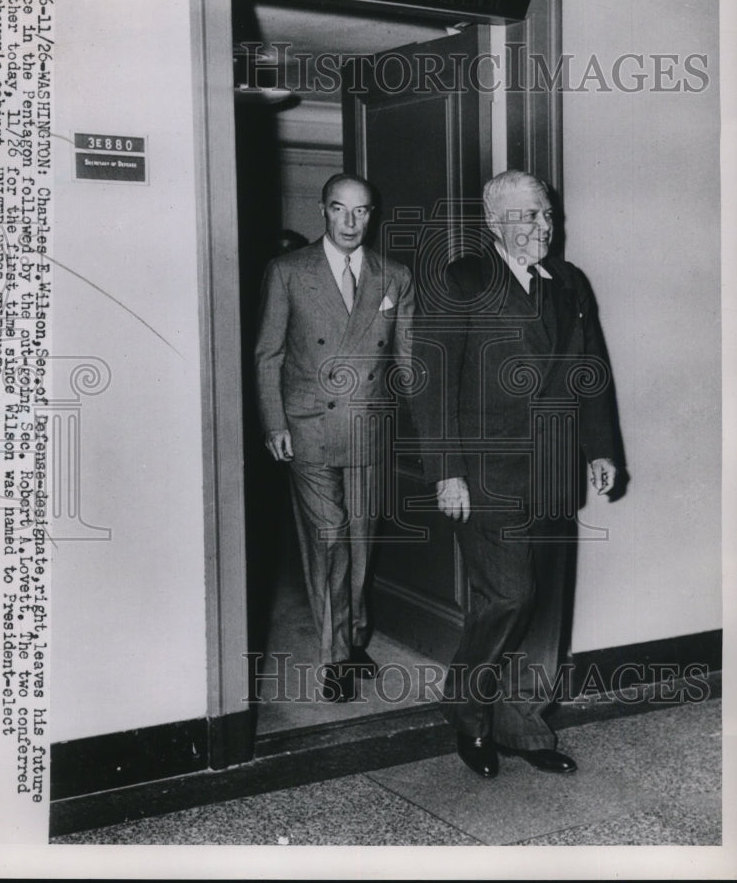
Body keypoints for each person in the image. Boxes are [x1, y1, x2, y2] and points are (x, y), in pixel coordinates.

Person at [413, 169, 619, 776]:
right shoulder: (463, 279)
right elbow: (432, 384)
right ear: (494, 220)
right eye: (529, 214)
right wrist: (446, 471)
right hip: (486, 474)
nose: (542, 226)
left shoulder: (571, 283)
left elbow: (592, 371)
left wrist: (600, 448)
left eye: (548, 214)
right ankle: (470, 709)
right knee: (509, 595)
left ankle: (523, 721)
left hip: (555, 469)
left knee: (547, 605)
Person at [255, 173, 414, 701]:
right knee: (329, 538)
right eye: (340, 210)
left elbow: (408, 360)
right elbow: (268, 355)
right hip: (309, 427)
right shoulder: (288, 271)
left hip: (369, 425)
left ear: (373, 214)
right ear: (323, 211)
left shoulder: (394, 276)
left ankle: (354, 635)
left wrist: (431, 427)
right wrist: (275, 423)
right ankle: (334, 656)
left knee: (363, 541)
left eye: (361, 211)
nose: (350, 222)